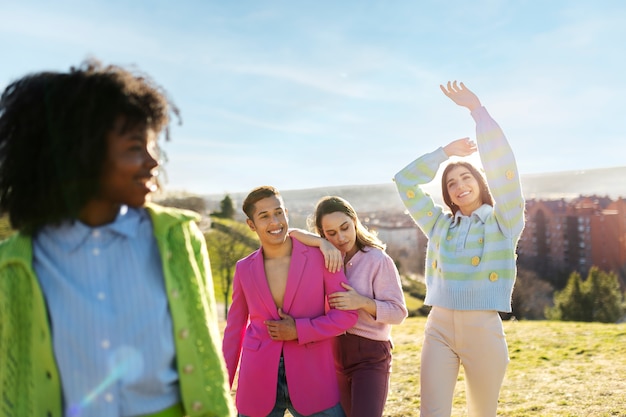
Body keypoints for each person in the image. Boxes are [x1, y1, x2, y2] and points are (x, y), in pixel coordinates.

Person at [0, 60, 235, 417]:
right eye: (134, 147)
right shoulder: (13, 265)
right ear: (81, 155)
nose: (153, 161)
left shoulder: (178, 239)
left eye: (152, 145)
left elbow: (207, 357)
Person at [393, 81, 525, 417]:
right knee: (432, 412)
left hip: (484, 329)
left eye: (466, 178)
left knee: (482, 413)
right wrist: (444, 154)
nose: (459, 186)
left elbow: (506, 171)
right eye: (451, 183)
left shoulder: (503, 223)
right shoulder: (439, 227)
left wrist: (477, 112)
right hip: (439, 327)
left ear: (480, 183)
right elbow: (404, 182)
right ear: (448, 195)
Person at [222, 186, 358, 417]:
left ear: (286, 212)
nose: (275, 221)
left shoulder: (323, 257)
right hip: (257, 379)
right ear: (251, 225)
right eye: (264, 216)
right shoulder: (244, 268)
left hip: (314, 377)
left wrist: (299, 330)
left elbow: (346, 315)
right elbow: (235, 330)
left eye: (278, 212)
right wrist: (221, 383)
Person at [290, 196, 408, 417]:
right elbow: (291, 235)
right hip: (332, 355)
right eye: (331, 233)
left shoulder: (377, 260)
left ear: (354, 220)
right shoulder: (325, 255)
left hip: (370, 355)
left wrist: (362, 302)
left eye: (345, 228)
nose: (341, 237)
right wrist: (321, 244)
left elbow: (399, 313)